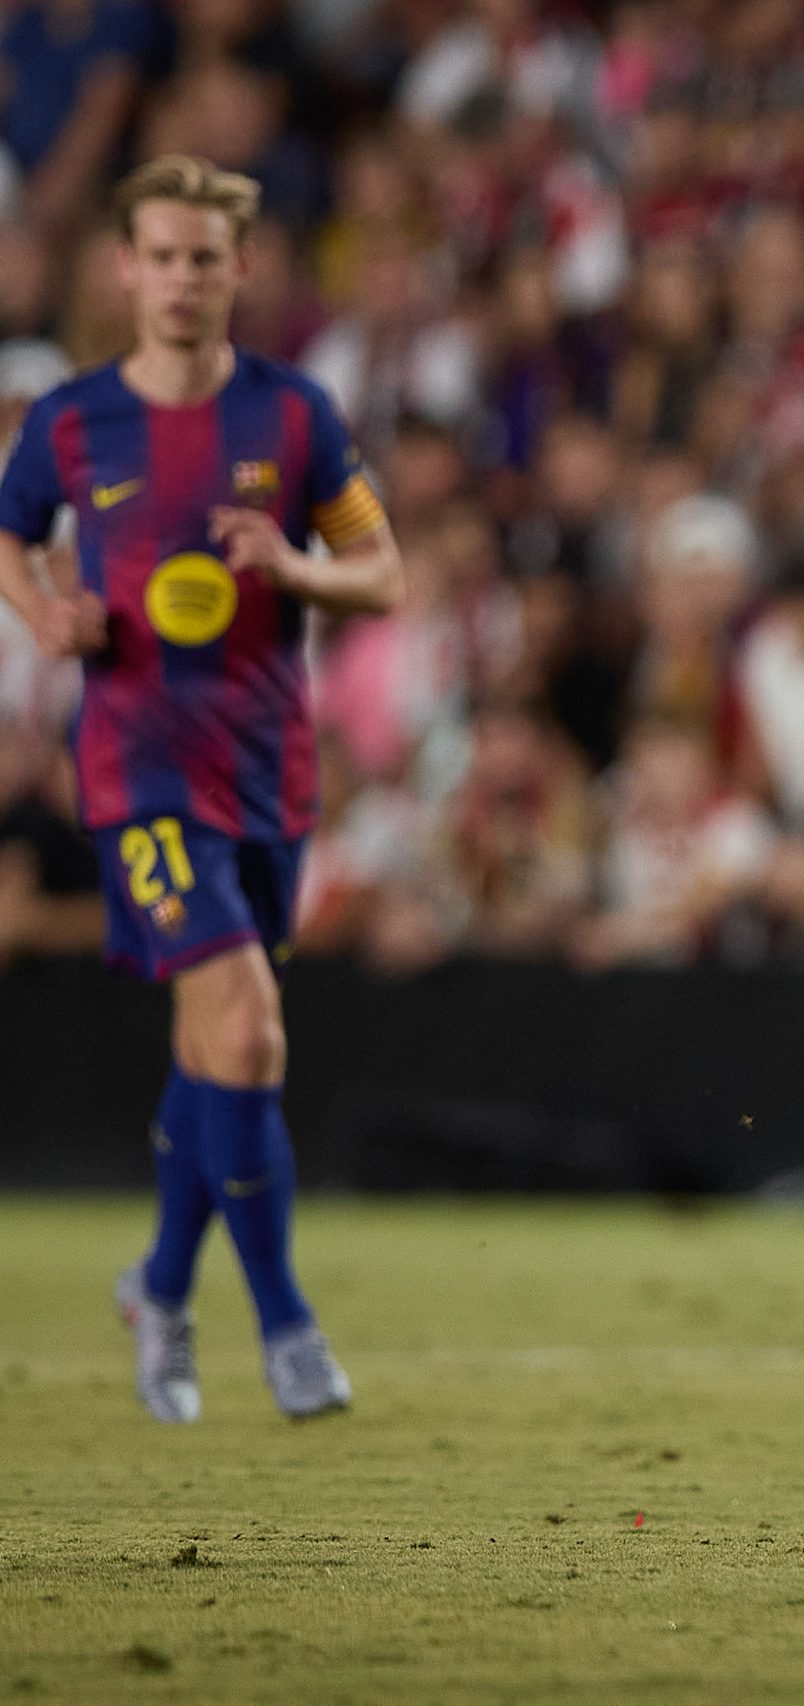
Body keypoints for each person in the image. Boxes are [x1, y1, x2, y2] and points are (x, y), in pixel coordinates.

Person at [0, 156, 404, 1422]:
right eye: (161, 255)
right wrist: (44, 612)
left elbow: (379, 569)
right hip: (138, 769)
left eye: (204, 257)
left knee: (208, 1043)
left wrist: (295, 565)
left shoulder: (293, 418)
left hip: (268, 767)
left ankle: (161, 1288)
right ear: (123, 268)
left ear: (240, 270)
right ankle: (286, 1329)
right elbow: (8, 532)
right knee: (248, 1030)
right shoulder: (70, 421)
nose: (181, 278)